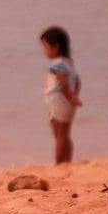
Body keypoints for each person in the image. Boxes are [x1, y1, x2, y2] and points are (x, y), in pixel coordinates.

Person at [40, 26, 82, 164]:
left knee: (59, 135)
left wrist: (69, 95)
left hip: (58, 101)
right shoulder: (69, 63)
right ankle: (67, 161)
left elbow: (63, 83)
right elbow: (77, 81)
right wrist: (74, 96)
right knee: (65, 134)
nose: (44, 51)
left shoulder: (56, 65)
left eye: (45, 46)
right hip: (68, 102)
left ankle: (59, 164)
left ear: (55, 47)